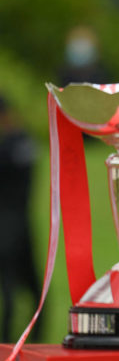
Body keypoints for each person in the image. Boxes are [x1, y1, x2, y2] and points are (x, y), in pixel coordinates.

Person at [0, 94, 42, 343]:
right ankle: (31, 341)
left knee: (11, 292)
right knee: (33, 292)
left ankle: (7, 342)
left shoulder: (9, 148)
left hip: (9, 229)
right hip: (22, 226)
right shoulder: (24, 143)